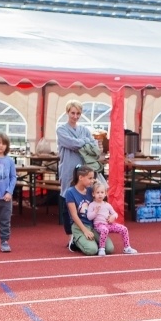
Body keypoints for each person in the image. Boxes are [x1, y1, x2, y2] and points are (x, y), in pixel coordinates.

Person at [57, 100, 97, 251]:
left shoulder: (84, 130)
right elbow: (71, 143)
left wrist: (82, 142)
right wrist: (84, 142)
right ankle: (70, 236)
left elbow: (93, 145)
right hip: (68, 169)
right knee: (67, 198)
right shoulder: (61, 130)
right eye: (73, 113)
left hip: (84, 171)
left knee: (85, 199)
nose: (75, 116)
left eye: (78, 113)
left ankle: (85, 231)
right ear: (67, 112)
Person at [65, 165, 115, 256]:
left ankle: (90, 241)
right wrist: (85, 231)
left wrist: (97, 183)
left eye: (93, 178)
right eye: (90, 178)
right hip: (79, 226)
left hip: (94, 225)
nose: (92, 180)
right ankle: (75, 241)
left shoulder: (91, 190)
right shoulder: (70, 192)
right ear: (81, 177)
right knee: (92, 250)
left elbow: (102, 197)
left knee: (109, 249)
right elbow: (74, 215)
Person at [86, 182, 138, 256]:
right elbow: (89, 217)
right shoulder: (92, 205)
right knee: (104, 230)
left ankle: (127, 247)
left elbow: (115, 213)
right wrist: (95, 212)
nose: (100, 194)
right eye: (97, 192)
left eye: (102, 192)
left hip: (109, 224)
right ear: (93, 194)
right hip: (99, 225)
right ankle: (102, 248)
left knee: (124, 229)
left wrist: (113, 217)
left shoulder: (107, 205)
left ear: (105, 194)